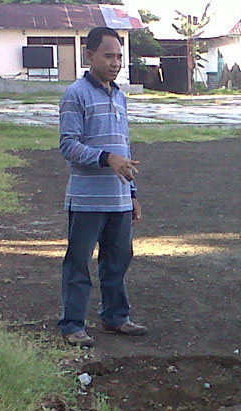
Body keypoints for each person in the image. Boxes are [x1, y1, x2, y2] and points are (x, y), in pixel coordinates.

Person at [57, 26, 146, 347]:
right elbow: (68, 146)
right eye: (109, 56)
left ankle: (115, 317)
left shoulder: (120, 96)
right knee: (78, 263)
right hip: (86, 200)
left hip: (119, 199)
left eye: (119, 56)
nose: (116, 62)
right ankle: (72, 324)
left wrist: (132, 194)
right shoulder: (75, 95)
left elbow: (125, 149)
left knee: (118, 261)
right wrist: (107, 159)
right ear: (89, 55)